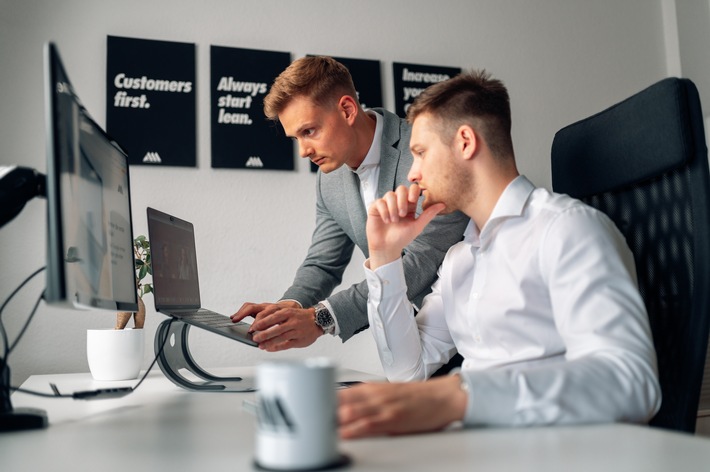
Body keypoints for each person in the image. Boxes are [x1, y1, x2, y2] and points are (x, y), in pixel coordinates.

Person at [337, 70, 661, 438]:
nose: (412, 174)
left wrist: (459, 396)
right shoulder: (460, 258)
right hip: (480, 449)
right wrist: (385, 257)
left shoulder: (565, 229)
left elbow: (631, 381)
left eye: (421, 153)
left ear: (464, 142)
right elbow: (407, 372)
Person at [231, 56, 469, 352]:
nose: (303, 151)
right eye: (295, 138)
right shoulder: (328, 181)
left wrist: (321, 318)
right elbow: (323, 263)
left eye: (309, 131)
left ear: (346, 109)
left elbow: (422, 261)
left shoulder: (426, 151)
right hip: (417, 341)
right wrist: (286, 310)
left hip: (480, 328)